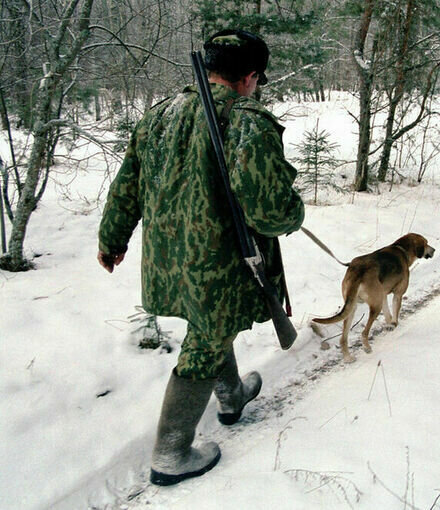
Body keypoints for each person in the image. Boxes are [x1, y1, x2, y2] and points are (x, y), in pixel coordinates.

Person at [97, 29, 304, 486]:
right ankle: (171, 453)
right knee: (206, 339)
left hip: (170, 257)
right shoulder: (247, 119)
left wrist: (112, 238)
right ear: (250, 76)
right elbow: (269, 212)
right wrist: (295, 212)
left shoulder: (159, 115)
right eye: (257, 79)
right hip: (220, 263)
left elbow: (126, 186)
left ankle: (230, 395)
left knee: (211, 326)